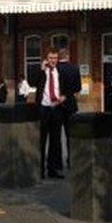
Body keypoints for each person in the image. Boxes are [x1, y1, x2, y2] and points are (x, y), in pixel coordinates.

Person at [33, 47, 76, 179]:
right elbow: (31, 82)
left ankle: (54, 169)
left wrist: (64, 96)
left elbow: (70, 87)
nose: (53, 61)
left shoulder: (60, 72)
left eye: (55, 58)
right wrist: (41, 70)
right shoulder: (41, 71)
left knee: (55, 140)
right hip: (43, 108)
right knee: (41, 139)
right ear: (46, 59)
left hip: (57, 108)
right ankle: (39, 170)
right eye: (51, 58)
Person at [57, 49, 82, 166]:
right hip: (71, 104)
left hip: (56, 105)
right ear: (68, 56)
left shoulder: (55, 69)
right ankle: (70, 159)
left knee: (55, 134)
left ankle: (56, 161)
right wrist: (68, 94)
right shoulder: (75, 68)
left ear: (58, 57)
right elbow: (78, 88)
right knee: (70, 134)